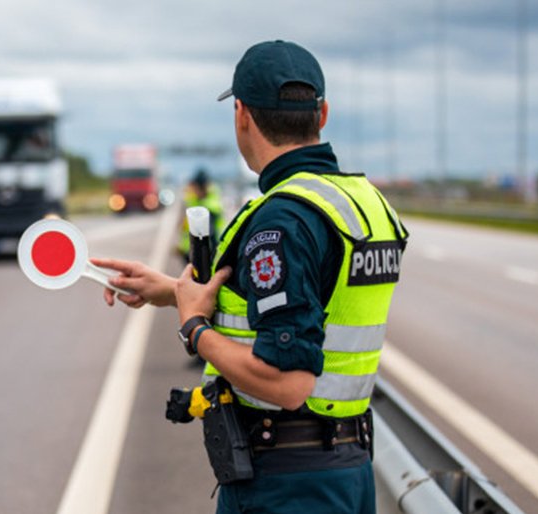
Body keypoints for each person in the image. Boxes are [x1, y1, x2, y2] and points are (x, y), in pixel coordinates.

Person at [92, 40, 408, 514]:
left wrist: (195, 329)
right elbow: (323, 294)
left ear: (241, 114)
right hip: (348, 469)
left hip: (287, 484)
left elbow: (288, 382)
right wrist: (170, 291)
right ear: (322, 115)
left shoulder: (283, 218)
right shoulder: (365, 203)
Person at [178, 168, 226, 259]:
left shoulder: (209, 208)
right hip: (191, 252)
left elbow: (210, 237)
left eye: (194, 187)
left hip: (203, 255)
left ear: (202, 188)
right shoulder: (196, 202)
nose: (192, 190)